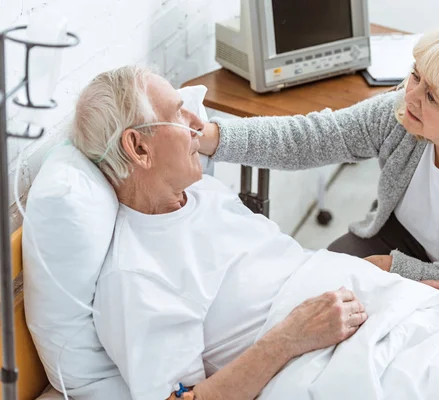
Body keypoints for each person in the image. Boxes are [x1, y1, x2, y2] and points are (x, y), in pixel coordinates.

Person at [72, 65, 401, 400]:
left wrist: (375, 273)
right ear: (139, 149)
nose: (196, 123)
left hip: (375, 308)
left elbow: (283, 269)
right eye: (178, 113)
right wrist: (289, 338)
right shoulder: (137, 276)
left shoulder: (204, 193)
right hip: (341, 362)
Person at [198, 23, 439, 289]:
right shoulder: (405, 113)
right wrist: (215, 137)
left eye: (432, 96)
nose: (410, 95)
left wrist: (393, 269)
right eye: (416, 74)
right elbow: (317, 136)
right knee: (314, 286)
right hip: (407, 239)